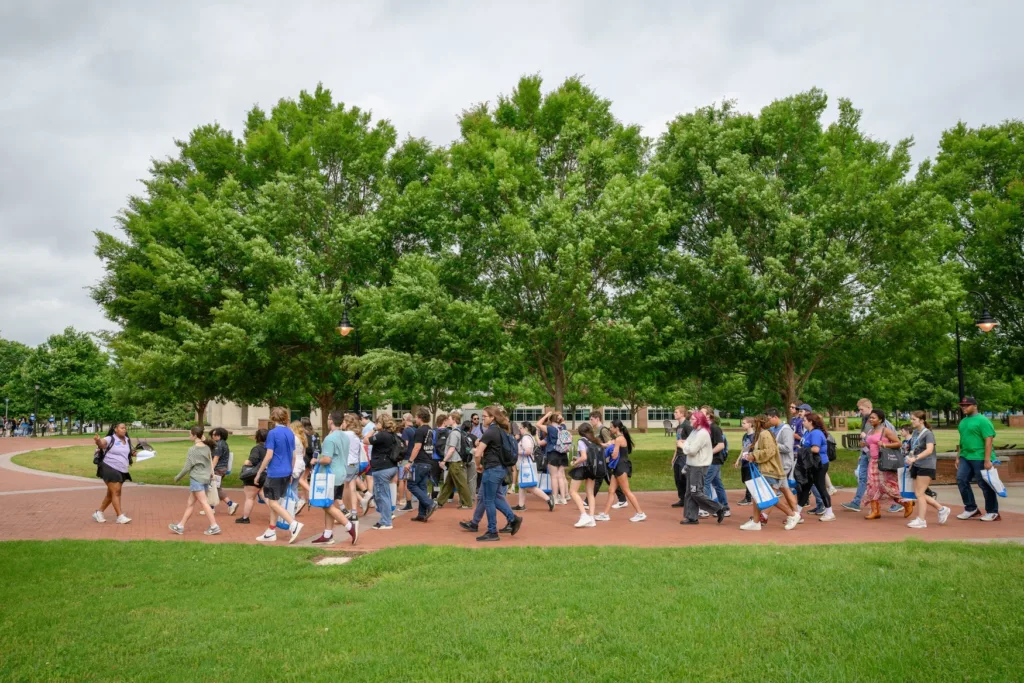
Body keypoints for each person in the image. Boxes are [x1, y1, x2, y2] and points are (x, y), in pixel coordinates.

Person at [469, 405, 522, 542]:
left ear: (492, 417)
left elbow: (478, 453)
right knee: (495, 497)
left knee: (489, 501)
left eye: (484, 416)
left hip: (492, 469)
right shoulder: (502, 431)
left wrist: (478, 465)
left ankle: (492, 531)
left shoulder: (490, 432)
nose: (482, 419)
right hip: (500, 469)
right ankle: (513, 518)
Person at [252, 407, 304, 543]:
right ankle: (271, 530)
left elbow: (269, 455)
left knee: (272, 502)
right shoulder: (290, 433)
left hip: (275, 471)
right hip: (287, 471)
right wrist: (291, 472)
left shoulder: (273, 433)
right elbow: (293, 456)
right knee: (276, 501)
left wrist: (258, 472)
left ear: (273, 418)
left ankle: (293, 523)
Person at [739, 415, 799, 531]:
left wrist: (753, 456)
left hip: (769, 470)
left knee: (769, 497)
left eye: (755, 422)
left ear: (758, 424)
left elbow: (769, 451)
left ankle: (792, 515)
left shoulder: (765, 434)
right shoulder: (765, 434)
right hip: (766, 470)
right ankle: (756, 522)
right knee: (758, 496)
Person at [310, 410, 358, 545]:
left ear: (330, 420)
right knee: (329, 503)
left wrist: (316, 461)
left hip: (331, 475)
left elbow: (327, 459)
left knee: (326, 505)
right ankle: (327, 533)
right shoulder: (344, 436)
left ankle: (349, 525)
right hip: (341, 472)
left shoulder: (330, 438)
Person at [860, 409, 913, 520]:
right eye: (870, 417)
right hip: (872, 462)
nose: (870, 419)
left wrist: (884, 445)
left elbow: (898, 443)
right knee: (872, 486)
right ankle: (876, 511)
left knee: (888, 486)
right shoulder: (870, 432)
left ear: (880, 419)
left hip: (883, 462)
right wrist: (865, 444)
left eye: (873, 418)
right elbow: (872, 446)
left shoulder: (885, 431)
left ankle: (907, 504)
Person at [168, 425, 221, 536]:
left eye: (190, 434)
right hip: (204, 479)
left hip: (197, 479)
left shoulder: (193, 450)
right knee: (190, 503)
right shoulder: (207, 447)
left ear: (195, 435)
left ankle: (214, 526)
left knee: (204, 503)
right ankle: (180, 526)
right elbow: (208, 464)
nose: (189, 435)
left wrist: (178, 477)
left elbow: (187, 467)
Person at [843, 398, 893, 512]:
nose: (860, 411)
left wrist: (865, 438)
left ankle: (898, 501)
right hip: (867, 454)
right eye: (859, 409)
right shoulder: (865, 420)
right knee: (863, 478)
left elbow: (881, 439)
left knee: (882, 481)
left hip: (877, 456)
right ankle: (856, 502)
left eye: (861, 409)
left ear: (869, 408)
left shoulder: (881, 423)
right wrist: (863, 452)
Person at [955, 396, 1000, 522]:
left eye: (967, 405)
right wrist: (958, 456)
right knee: (961, 480)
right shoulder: (963, 422)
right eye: (962, 406)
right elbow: (962, 440)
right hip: (965, 456)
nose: (964, 407)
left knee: (984, 484)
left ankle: (992, 511)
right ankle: (971, 508)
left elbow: (988, 440)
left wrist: (987, 460)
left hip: (980, 457)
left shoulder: (983, 421)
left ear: (975, 406)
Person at [905, 410, 951, 528]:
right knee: (917, 493)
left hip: (926, 465)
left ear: (922, 420)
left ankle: (921, 520)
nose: (911, 421)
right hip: (916, 464)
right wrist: (911, 460)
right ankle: (941, 509)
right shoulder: (915, 432)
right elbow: (914, 448)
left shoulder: (928, 434)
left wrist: (915, 458)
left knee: (920, 493)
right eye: (911, 419)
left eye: (914, 419)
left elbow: (929, 450)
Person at [681, 410, 725, 525]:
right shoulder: (695, 431)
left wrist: (682, 446)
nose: (690, 420)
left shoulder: (703, 433)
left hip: (699, 466)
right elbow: (688, 443)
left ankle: (718, 508)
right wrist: (685, 445)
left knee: (695, 492)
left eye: (693, 419)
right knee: (689, 492)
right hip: (692, 465)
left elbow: (691, 450)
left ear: (699, 420)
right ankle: (691, 517)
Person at [596, 420, 646, 522]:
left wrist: (609, 451)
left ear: (616, 428)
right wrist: (601, 444)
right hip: (618, 467)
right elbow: (607, 444)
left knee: (626, 491)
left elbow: (614, 455)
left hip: (621, 466)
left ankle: (640, 513)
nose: (610, 429)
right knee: (611, 491)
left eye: (611, 427)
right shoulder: (618, 438)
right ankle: (605, 514)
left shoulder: (619, 439)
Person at [91, 422, 134, 524]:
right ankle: (120, 516)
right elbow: (102, 444)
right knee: (116, 492)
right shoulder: (110, 438)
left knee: (111, 494)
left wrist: (145, 454)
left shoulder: (127, 440)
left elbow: (130, 452)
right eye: (122, 428)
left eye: (125, 428)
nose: (124, 430)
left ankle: (99, 512)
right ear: (115, 429)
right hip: (109, 467)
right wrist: (98, 441)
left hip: (122, 469)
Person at [404, 408, 438, 522]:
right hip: (429, 461)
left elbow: (417, 447)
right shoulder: (430, 430)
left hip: (420, 462)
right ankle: (422, 514)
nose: (415, 419)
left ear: (420, 417)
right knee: (422, 487)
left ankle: (430, 503)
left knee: (411, 485)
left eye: (416, 417)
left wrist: (409, 462)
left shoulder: (419, 431)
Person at [766, 408, 800, 522]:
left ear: (775, 417)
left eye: (770, 419)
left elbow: (787, 448)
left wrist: (773, 444)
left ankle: (763, 516)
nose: (769, 421)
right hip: (776, 464)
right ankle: (796, 513)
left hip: (783, 464)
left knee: (772, 490)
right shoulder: (772, 429)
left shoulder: (786, 430)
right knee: (785, 489)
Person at [367, 413, 400, 530]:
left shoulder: (382, 435)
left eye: (377, 422)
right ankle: (384, 518)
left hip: (382, 468)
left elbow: (366, 440)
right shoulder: (392, 435)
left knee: (382, 495)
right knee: (378, 494)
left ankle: (386, 521)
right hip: (391, 466)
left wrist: (374, 429)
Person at [512, 422, 555, 512]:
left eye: (520, 428)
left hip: (526, 464)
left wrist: (516, 452)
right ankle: (521, 505)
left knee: (529, 486)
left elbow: (528, 451)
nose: (519, 429)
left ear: (525, 428)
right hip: (526, 464)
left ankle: (548, 498)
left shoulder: (526, 438)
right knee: (522, 485)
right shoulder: (529, 437)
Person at [589, 412, 628, 507]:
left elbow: (610, 444)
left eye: (591, 419)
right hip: (602, 459)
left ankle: (588, 501)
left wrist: (606, 454)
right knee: (608, 481)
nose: (590, 421)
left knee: (600, 479)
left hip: (606, 460)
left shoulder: (603, 430)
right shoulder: (596, 430)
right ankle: (622, 500)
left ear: (597, 419)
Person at [438, 412, 475, 509]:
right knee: (448, 484)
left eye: (449, 418)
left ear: (454, 419)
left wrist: (444, 461)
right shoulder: (457, 431)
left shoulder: (454, 433)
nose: (448, 420)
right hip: (455, 462)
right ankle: (439, 502)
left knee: (461, 483)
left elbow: (452, 449)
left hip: (455, 462)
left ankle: (467, 503)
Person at [567, 422, 601, 528]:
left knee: (572, 491)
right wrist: (578, 459)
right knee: (590, 493)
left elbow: (584, 457)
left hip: (582, 469)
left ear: (580, 432)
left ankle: (583, 515)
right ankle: (591, 517)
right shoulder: (594, 441)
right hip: (592, 469)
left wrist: (575, 462)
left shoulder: (581, 441)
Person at [700, 405, 729, 518]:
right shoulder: (705, 428)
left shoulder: (714, 428)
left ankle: (706, 508)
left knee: (705, 482)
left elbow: (721, 445)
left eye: (702, 412)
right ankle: (725, 508)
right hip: (710, 460)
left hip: (714, 460)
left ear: (708, 415)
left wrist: (708, 453)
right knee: (717, 484)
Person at [236, 428, 268, 524]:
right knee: (264, 495)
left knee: (250, 497)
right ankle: (278, 512)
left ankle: (245, 517)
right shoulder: (270, 449)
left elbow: (252, 461)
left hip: (255, 474)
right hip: (266, 474)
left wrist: (246, 462)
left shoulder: (257, 449)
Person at [537, 411, 570, 506]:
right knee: (561, 476)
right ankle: (563, 498)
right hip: (563, 453)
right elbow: (562, 421)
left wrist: (547, 415)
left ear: (550, 420)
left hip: (553, 453)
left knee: (554, 477)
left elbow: (538, 424)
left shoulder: (550, 428)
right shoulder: (563, 427)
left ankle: (555, 497)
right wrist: (560, 418)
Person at [209, 427, 239, 516]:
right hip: (222, 469)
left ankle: (231, 504)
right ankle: (211, 508)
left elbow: (216, 458)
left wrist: (211, 470)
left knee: (215, 488)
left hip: (218, 469)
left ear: (220, 436)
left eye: (215, 435)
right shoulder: (224, 444)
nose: (213, 436)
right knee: (214, 488)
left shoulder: (218, 445)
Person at [671, 406, 693, 508]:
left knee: (683, 477)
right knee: (677, 478)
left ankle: (688, 499)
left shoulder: (687, 426)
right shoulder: (678, 427)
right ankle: (682, 498)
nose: (674, 414)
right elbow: (677, 442)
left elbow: (692, 440)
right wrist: (674, 456)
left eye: (676, 412)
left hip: (685, 455)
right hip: (678, 455)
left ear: (682, 414)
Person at [735, 416, 755, 505]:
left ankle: (748, 498)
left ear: (750, 424)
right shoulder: (745, 436)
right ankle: (751, 495)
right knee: (745, 479)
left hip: (750, 462)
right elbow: (743, 448)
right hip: (744, 460)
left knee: (748, 479)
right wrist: (738, 459)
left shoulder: (754, 436)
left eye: (744, 423)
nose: (742, 425)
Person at [397, 413, 415, 510]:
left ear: (404, 419)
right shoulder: (415, 430)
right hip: (413, 458)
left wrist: (400, 456)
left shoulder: (406, 431)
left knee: (402, 480)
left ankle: (401, 499)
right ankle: (408, 500)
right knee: (409, 480)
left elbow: (405, 445)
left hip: (406, 458)